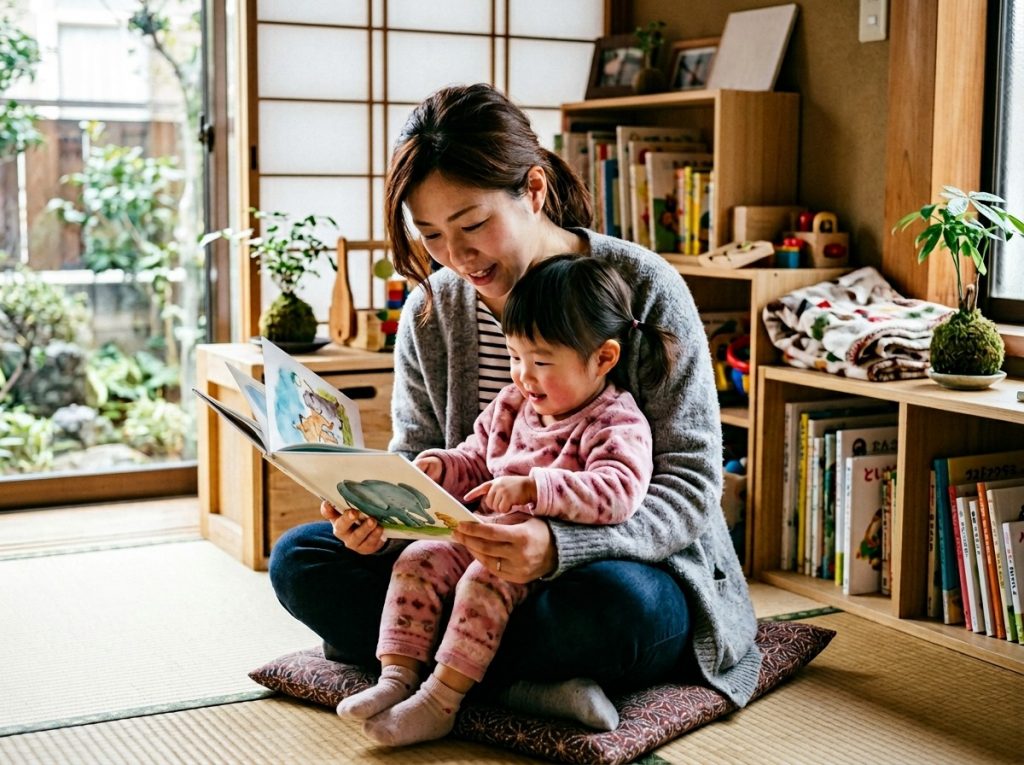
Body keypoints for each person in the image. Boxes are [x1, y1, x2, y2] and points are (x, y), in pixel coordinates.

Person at [269, 82, 761, 736]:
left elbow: (692, 484)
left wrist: (558, 545)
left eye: (473, 224)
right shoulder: (433, 310)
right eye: (432, 234)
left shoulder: (642, 286)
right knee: (301, 560)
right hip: (467, 553)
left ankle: (438, 663)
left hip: (621, 564)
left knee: (620, 612)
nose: (456, 255)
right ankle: (527, 682)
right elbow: (418, 456)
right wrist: (380, 515)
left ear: (532, 190)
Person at [335, 254, 674, 745]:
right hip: (482, 530)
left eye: (540, 362)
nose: (523, 376)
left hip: (557, 564)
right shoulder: (514, 402)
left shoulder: (616, 421)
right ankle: (397, 677)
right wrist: (437, 469)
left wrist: (538, 489)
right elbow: (477, 456)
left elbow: (620, 492)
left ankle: (442, 699)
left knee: (486, 578)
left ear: (603, 358)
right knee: (417, 558)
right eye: (515, 357)